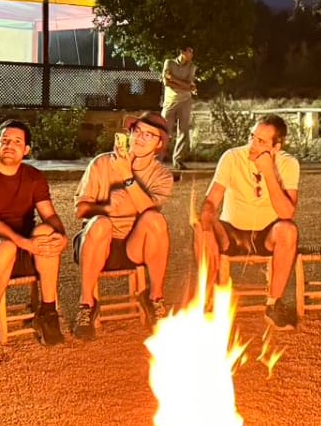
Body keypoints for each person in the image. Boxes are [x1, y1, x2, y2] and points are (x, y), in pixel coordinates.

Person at [0, 120, 69, 353]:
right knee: (6, 247)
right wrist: (25, 243)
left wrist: (62, 235)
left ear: (26, 150)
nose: (10, 145)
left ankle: (48, 313)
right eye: (5, 140)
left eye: (17, 142)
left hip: (27, 249)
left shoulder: (34, 177)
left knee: (47, 233)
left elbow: (49, 214)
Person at [196, 115, 301, 329]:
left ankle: (273, 305)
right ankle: (206, 301)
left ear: (276, 146)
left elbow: (287, 213)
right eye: (252, 136)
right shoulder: (232, 157)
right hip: (231, 232)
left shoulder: (288, 163)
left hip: (266, 234)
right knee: (203, 226)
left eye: (261, 141)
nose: (253, 144)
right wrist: (206, 223)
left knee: (288, 231)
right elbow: (211, 202)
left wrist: (268, 172)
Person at [74, 112, 174, 335]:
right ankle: (87, 304)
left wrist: (127, 177)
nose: (140, 137)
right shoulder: (101, 163)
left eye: (149, 135)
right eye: (137, 131)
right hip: (97, 242)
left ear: (159, 144)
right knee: (100, 223)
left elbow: (148, 210)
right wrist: (107, 209)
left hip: (134, 246)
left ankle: (155, 298)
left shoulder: (162, 176)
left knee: (155, 220)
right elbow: (80, 210)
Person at [161, 47, 197, 171]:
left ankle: (178, 160)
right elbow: (166, 83)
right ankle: (158, 159)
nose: (191, 54)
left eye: (192, 52)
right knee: (163, 131)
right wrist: (184, 85)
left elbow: (190, 87)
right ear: (182, 52)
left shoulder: (192, 67)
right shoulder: (169, 63)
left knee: (183, 131)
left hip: (185, 101)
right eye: (189, 51)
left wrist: (173, 79)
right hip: (170, 102)